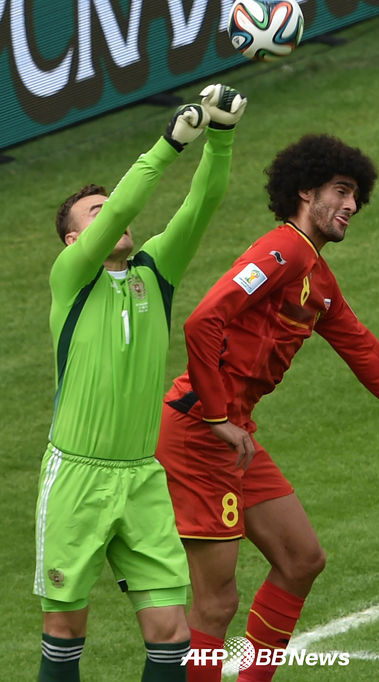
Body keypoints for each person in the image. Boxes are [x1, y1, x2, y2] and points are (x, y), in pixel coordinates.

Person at [155, 133, 379, 682]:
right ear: (305, 191)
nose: (351, 205)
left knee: (301, 559)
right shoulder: (283, 251)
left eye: (356, 197)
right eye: (341, 191)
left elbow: (367, 354)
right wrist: (219, 417)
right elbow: (203, 321)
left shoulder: (318, 280)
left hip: (233, 433)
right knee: (216, 603)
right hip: (200, 432)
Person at [33, 83, 247, 682]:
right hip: (76, 478)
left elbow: (202, 204)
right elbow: (124, 207)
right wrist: (168, 145)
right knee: (65, 631)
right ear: (74, 239)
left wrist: (221, 138)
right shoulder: (71, 277)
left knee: (171, 634)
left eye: (111, 206)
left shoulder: (155, 272)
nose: (114, 215)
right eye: (96, 212)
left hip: (142, 478)